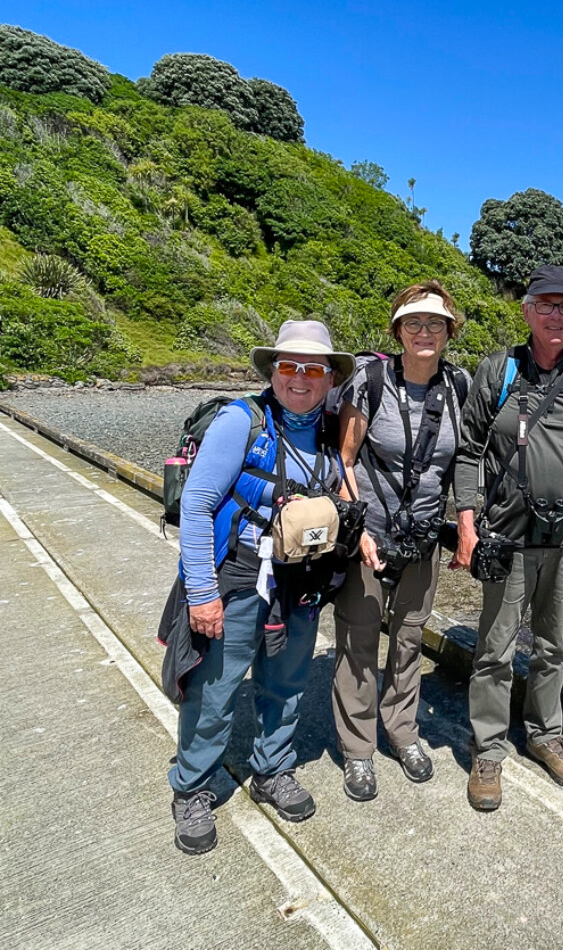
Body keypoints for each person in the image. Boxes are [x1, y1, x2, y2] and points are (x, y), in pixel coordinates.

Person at [167, 320, 356, 854]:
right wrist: (201, 593)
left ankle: (272, 769)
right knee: (216, 689)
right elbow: (199, 506)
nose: (300, 378)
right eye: (289, 366)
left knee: (287, 680)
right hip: (239, 577)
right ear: (273, 371)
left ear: (329, 378)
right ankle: (193, 788)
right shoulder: (240, 422)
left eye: (313, 368)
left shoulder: (331, 430)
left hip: (301, 579)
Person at [451, 264, 563, 811]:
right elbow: (467, 450)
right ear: (526, 310)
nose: (555, 315)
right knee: (495, 650)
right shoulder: (498, 371)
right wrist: (467, 521)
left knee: (555, 646)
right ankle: (489, 750)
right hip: (507, 539)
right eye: (545, 305)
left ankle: (546, 734)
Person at [332, 281, 470, 801]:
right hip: (369, 534)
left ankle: (403, 732)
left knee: (410, 638)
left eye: (435, 323)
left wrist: (465, 527)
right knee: (359, 641)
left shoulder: (458, 386)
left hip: (424, 540)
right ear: (397, 330)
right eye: (413, 323)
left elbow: (464, 464)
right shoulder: (370, 382)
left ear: (450, 331)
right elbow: (345, 460)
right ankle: (359, 749)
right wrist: (359, 528)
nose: (424, 332)